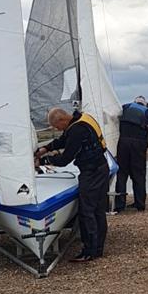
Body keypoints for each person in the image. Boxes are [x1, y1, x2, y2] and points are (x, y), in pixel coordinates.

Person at [35, 106, 111, 262]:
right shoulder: (81, 119)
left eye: (57, 126)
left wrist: (43, 161)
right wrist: (46, 148)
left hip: (92, 173)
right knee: (97, 210)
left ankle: (90, 250)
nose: (58, 129)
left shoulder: (77, 130)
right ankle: (97, 248)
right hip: (101, 168)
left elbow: (65, 159)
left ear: (62, 120)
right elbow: (64, 139)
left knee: (87, 211)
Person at [114, 95, 148, 213]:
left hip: (123, 142)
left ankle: (120, 205)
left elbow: (115, 117)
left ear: (134, 102)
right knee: (138, 174)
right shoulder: (147, 111)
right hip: (138, 145)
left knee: (122, 173)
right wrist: (144, 129)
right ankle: (140, 204)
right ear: (144, 104)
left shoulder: (125, 107)